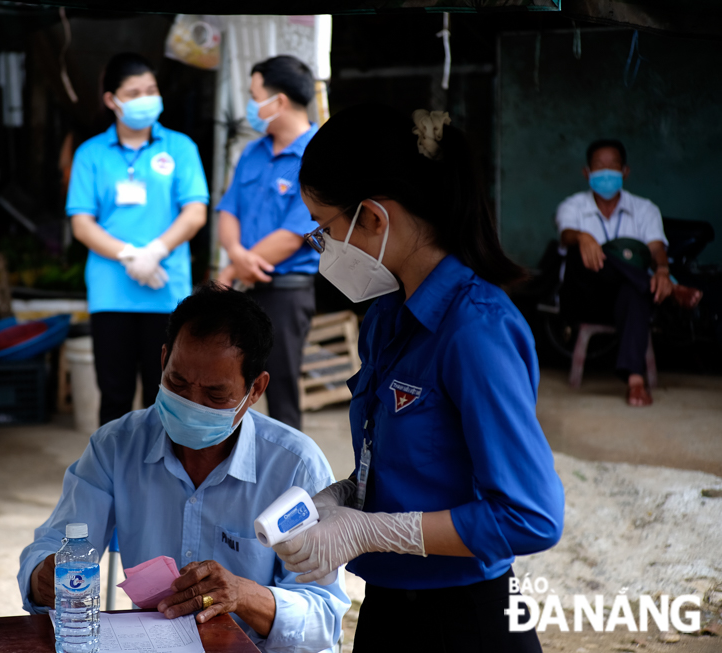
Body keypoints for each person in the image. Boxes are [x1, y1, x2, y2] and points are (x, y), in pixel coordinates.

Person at [272, 105, 565, 652]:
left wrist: (371, 530)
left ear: (375, 219)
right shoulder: (386, 315)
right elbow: (402, 456)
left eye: (326, 231)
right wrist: (342, 500)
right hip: (388, 602)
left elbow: (531, 517)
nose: (324, 251)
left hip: (468, 618)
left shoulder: (476, 329)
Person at [18, 283, 349, 653]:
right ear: (163, 361)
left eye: (215, 395)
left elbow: (324, 617)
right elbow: (58, 543)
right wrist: (42, 576)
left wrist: (243, 596)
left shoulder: (295, 466)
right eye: (177, 382)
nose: (191, 403)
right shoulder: (116, 446)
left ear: (255, 389)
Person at [67, 53, 209, 426]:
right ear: (112, 100)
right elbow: (82, 223)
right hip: (111, 292)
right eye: (134, 92)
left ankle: (162, 478)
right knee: (113, 394)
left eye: (151, 89)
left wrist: (157, 251)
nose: (146, 98)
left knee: (165, 394)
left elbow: (195, 211)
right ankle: (112, 477)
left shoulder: (180, 148)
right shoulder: (91, 154)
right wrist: (130, 255)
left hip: (166, 290)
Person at [556, 139, 702, 406]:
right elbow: (565, 236)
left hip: (625, 299)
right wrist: (582, 235)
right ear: (587, 173)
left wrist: (661, 269)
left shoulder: (645, 209)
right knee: (580, 251)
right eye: (599, 167)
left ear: (625, 172)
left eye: (613, 166)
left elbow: (657, 248)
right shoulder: (573, 206)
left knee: (633, 289)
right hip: (585, 298)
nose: (606, 172)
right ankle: (671, 289)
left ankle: (636, 382)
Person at [215, 55, 320, 430]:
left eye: (254, 95)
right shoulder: (253, 152)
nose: (250, 105)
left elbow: (295, 234)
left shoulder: (318, 154)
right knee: (228, 386)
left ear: (278, 101)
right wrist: (237, 256)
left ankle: (293, 480)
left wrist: (231, 268)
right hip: (243, 286)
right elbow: (228, 210)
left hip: (286, 293)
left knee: (281, 389)